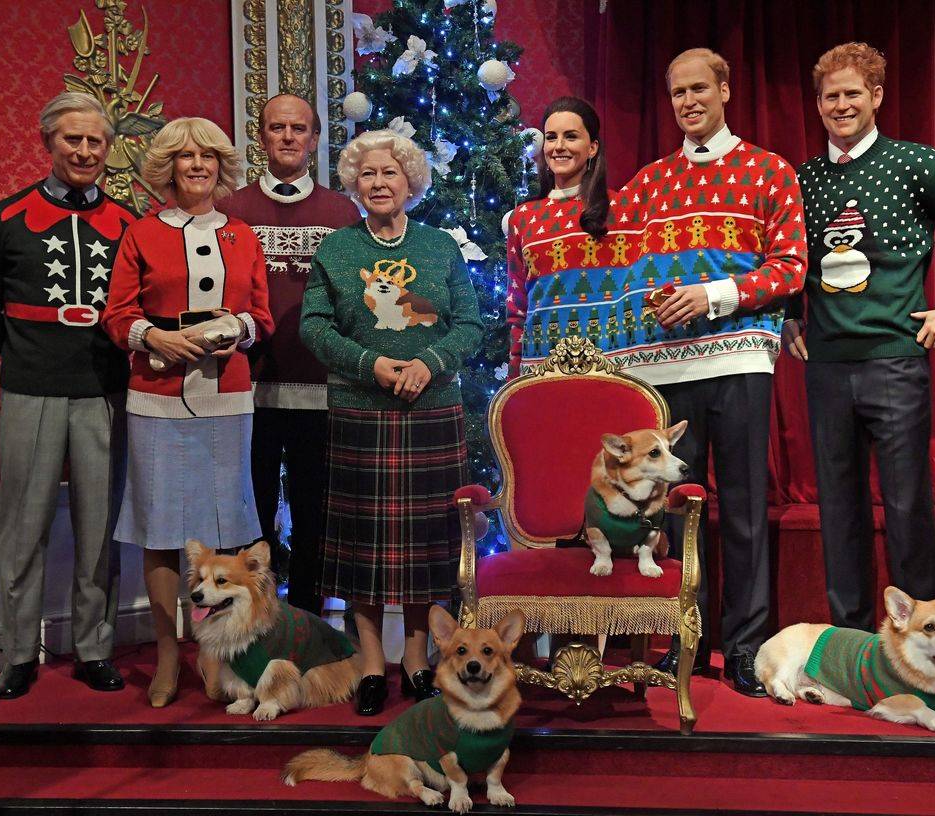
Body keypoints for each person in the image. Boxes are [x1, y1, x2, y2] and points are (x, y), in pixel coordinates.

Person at [782, 43, 935, 631]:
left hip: (897, 364)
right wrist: (789, 316)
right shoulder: (801, 178)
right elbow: (787, 257)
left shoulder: (917, 164)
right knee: (839, 511)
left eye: (853, 93)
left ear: (877, 96)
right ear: (818, 102)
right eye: (830, 95)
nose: (841, 105)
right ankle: (855, 643)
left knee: (908, 510)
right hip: (827, 368)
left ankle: (925, 646)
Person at [618, 49, 808, 696]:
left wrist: (713, 295)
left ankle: (747, 646)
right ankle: (686, 642)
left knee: (747, 508)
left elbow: (789, 266)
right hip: (667, 370)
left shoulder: (768, 170)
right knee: (674, 510)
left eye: (699, 88)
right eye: (677, 92)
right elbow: (623, 270)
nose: (688, 101)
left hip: (740, 359)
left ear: (725, 89)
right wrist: (655, 300)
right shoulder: (646, 183)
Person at [300, 129, 483, 716]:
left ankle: (416, 660)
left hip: (432, 413)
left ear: (410, 182)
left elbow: (471, 326)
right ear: (355, 184)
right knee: (365, 550)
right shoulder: (337, 250)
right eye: (369, 175)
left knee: (427, 550)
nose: (379, 183)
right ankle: (372, 663)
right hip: (361, 413)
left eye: (391, 173)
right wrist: (371, 364)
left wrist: (428, 363)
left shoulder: (439, 248)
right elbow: (314, 327)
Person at [0, 91, 136, 700]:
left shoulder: (128, 226)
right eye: (73, 139)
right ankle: (16, 651)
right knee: (23, 527)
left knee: (98, 528)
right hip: (31, 389)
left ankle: (93, 647)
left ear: (108, 149)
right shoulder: (5, 218)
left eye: (95, 141)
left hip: (103, 391)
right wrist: (29, 353)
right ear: (49, 143)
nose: (85, 151)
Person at [101, 117, 274, 707]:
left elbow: (261, 316)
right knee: (160, 530)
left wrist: (238, 332)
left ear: (221, 168)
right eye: (185, 157)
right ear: (168, 167)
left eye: (207, 157)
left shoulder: (243, 235)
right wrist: (155, 339)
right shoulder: (141, 234)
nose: (197, 166)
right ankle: (168, 656)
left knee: (227, 524)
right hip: (156, 398)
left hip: (227, 398)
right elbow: (117, 314)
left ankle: (218, 650)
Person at [219, 94, 359, 614]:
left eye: (298, 128)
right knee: (250, 510)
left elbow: (353, 299)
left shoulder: (341, 213)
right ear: (262, 137)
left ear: (315, 139)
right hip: (247, 386)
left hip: (319, 387)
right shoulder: (233, 210)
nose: (287, 137)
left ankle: (307, 616)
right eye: (276, 128)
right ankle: (255, 619)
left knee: (313, 509)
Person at [505, 96, 613, 375]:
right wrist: (515, 374)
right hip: (541, 368)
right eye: (551, 137)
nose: (559, 146)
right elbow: (517, 308)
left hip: (607, 365)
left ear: (592, 147)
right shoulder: (523, 218)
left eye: (571, 136)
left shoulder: (619, 209)